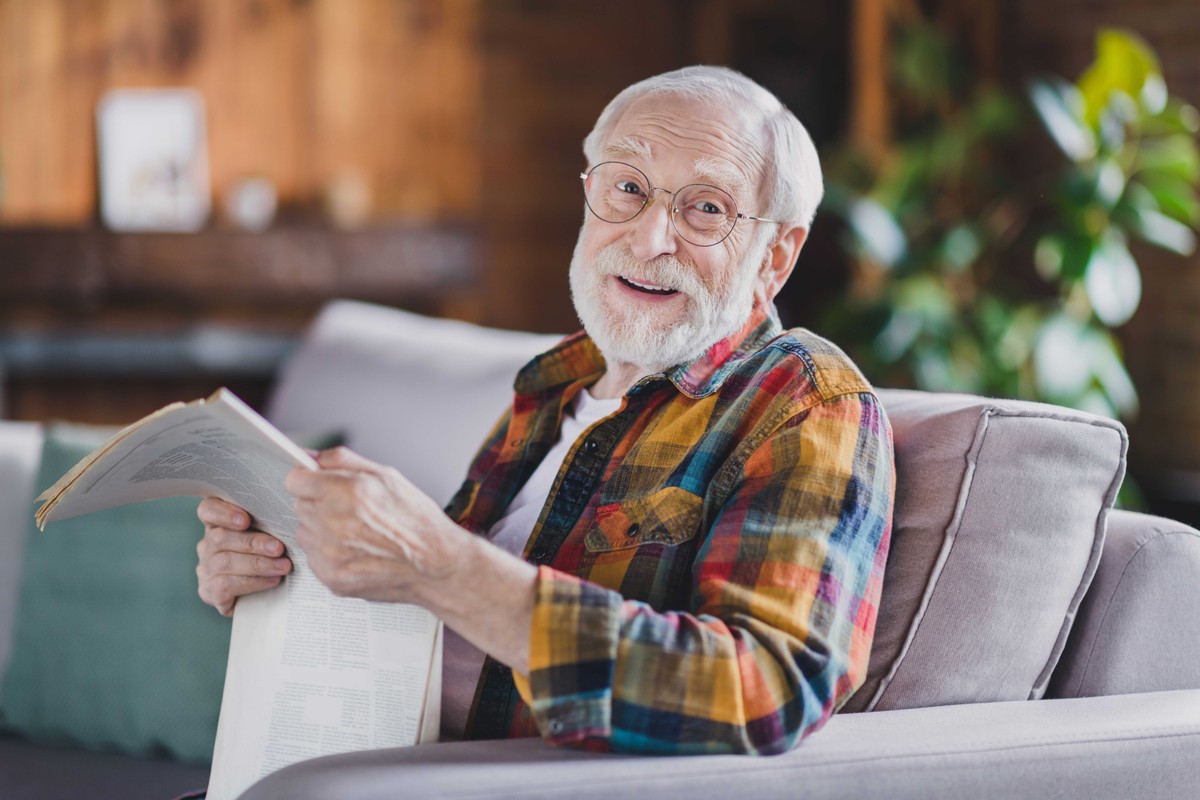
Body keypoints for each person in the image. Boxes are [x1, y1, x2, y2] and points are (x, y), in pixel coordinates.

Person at [195, 65, 894, 756]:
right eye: (628, 188)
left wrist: (443, 563)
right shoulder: (556, 384)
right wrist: (285, 574)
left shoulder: (806, 403)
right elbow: (434, 629)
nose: (650, 240)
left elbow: (766, 690)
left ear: (775, 256)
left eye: (706, 208)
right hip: (377, 759)